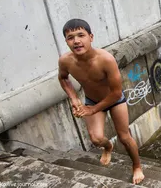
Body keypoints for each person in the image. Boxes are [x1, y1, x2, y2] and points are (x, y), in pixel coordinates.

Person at [58, 19, 144, 184]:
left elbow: (116, 92)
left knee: (124, 137)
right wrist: (74, 98)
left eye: (81, 35)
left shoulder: (105, 59)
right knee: (96, 139)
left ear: (91, 37)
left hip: (115, 100)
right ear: (66, 41)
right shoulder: (65, 61)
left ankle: (137, 166)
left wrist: (92, 110)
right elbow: (63, 78)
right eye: (70, 37)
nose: (76, 41)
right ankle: (107, 147)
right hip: (91, 100)